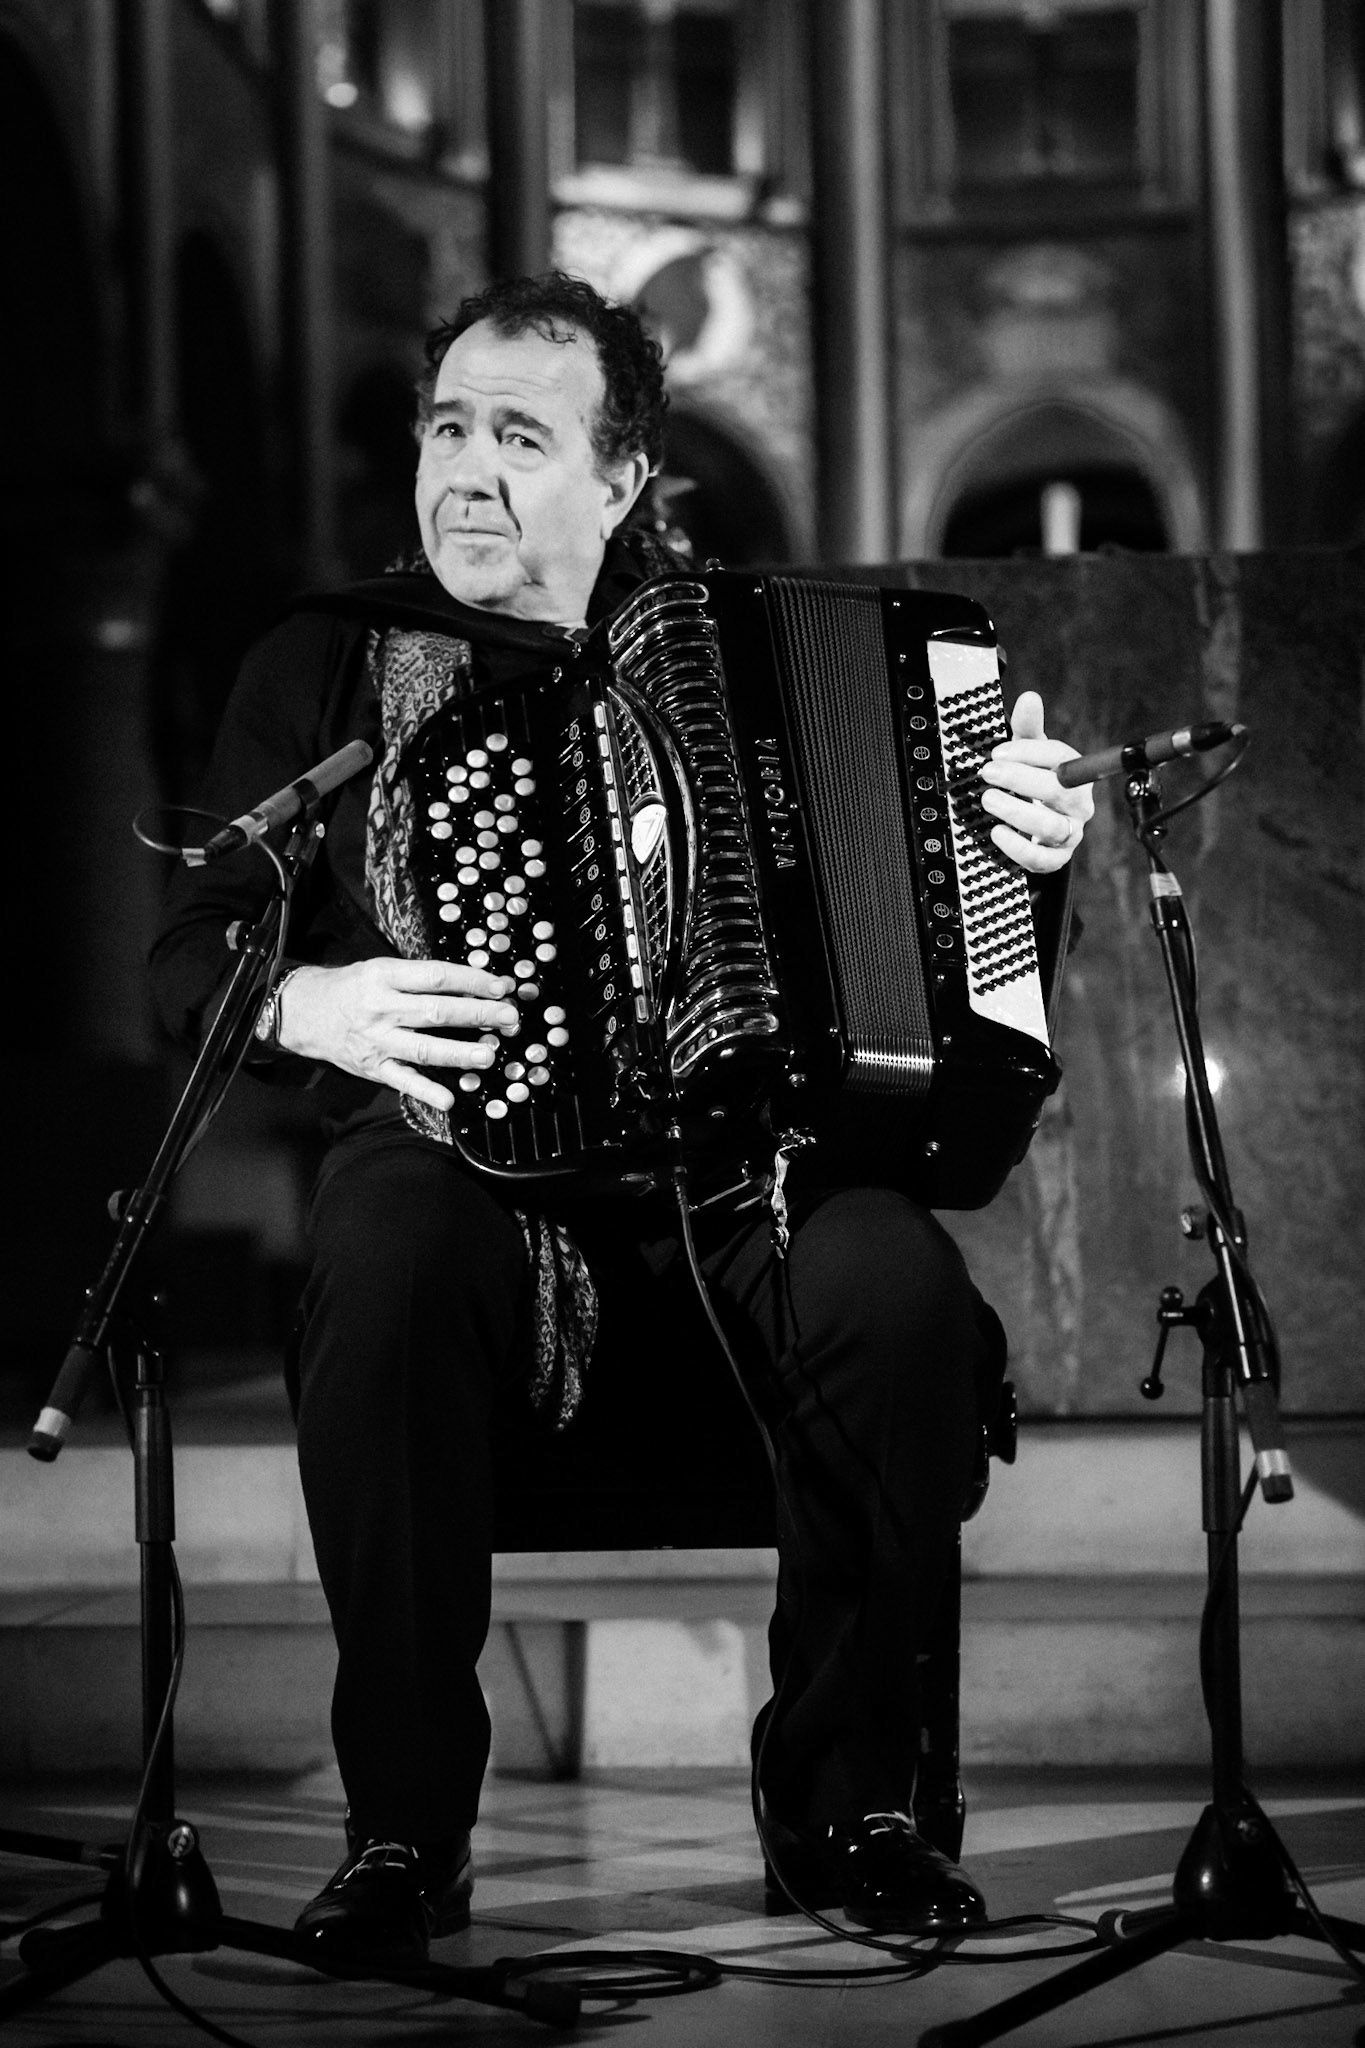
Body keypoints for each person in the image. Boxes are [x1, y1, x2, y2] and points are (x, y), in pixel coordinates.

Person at [151, 272, 1094, 1967]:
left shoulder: (751, 650)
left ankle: (849, 1810)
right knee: (379, 1233)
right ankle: (402, 1834)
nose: (462, 471)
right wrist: (313, 1001)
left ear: (622, 476)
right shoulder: (328, 656)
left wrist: (1021, 863)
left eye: (517, 435)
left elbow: (962, 969)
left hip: (750, 1190)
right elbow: (184, 959)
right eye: (447, 427)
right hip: (467, 1190)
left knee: (896, 1293)